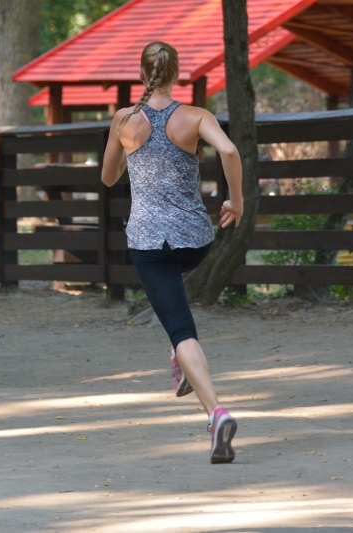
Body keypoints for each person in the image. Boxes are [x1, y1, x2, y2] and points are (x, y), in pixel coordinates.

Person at [101, 42, 244, 464]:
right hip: (194, 241)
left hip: (149, 243)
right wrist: (236, 202)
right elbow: (231, 151)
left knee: (180, 328)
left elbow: (109, 178)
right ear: (176, 73)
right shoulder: (196, 116)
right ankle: (178, 360)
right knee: (174, 308)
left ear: (142, 74)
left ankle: (215, 413)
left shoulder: (125, 119)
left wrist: (130, 149)